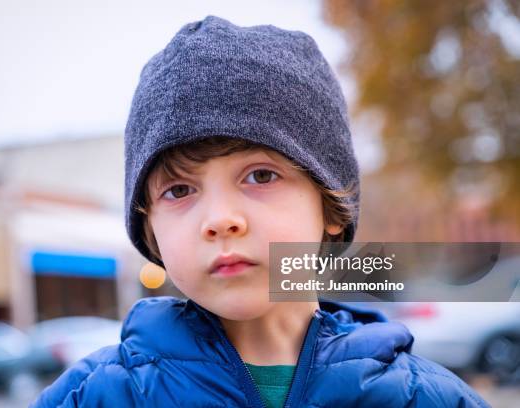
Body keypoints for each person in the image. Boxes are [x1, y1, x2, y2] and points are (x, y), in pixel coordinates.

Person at [31, 16, 488, 407]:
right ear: (149, 228)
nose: (220, 219)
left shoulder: (424, 398)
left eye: (261, 176)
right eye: (179, 190)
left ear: (330, 204)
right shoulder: (95, 397)